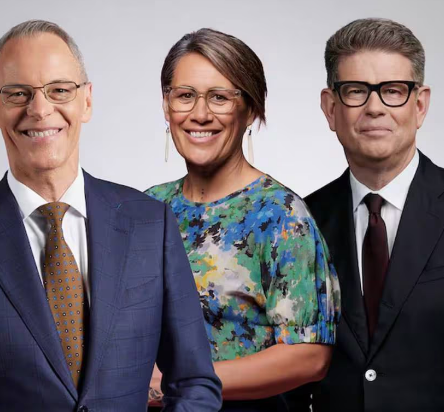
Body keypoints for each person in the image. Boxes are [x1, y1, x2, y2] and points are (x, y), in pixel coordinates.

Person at [0, 20, 221, 412]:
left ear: (87, 100)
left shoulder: (151, 225)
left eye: (59, 90)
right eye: (18, 93)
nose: (40, 109)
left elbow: (195, 382)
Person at [303, 18, 444, 411]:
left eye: (392, 91)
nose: (374, 108)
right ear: (331, 108)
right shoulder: (302, 221)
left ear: (419, 105)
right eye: (355, 91)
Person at [145, 28, 340, 411]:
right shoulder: (150, 207)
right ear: (167, 106)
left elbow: (310, 356)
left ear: (250, 110)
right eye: (185, 96)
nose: (200, 114)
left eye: (220, 97)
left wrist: (180, 383)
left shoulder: (280, 216)